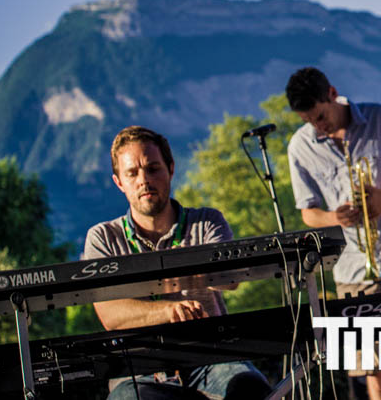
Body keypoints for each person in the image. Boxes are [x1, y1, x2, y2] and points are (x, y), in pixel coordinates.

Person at [285, 67, 381, 400]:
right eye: (309, 121)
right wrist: (333, 217)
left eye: (320, 116)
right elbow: (307, 212)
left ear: (332, 93)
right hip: (352, 271)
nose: (318, 126)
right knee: (374, 369)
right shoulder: (299, 146)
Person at [83, 126, 273, 400]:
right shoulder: (103, 237)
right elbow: (111, 314)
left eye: (153, 168)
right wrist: (169, 310)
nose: (144, 180)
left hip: (213, 358)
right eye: (132, 173)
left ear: (171, 169)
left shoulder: (207, 221)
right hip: (140, 370)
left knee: (250, 387)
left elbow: (230, 278)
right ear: (119, 182)